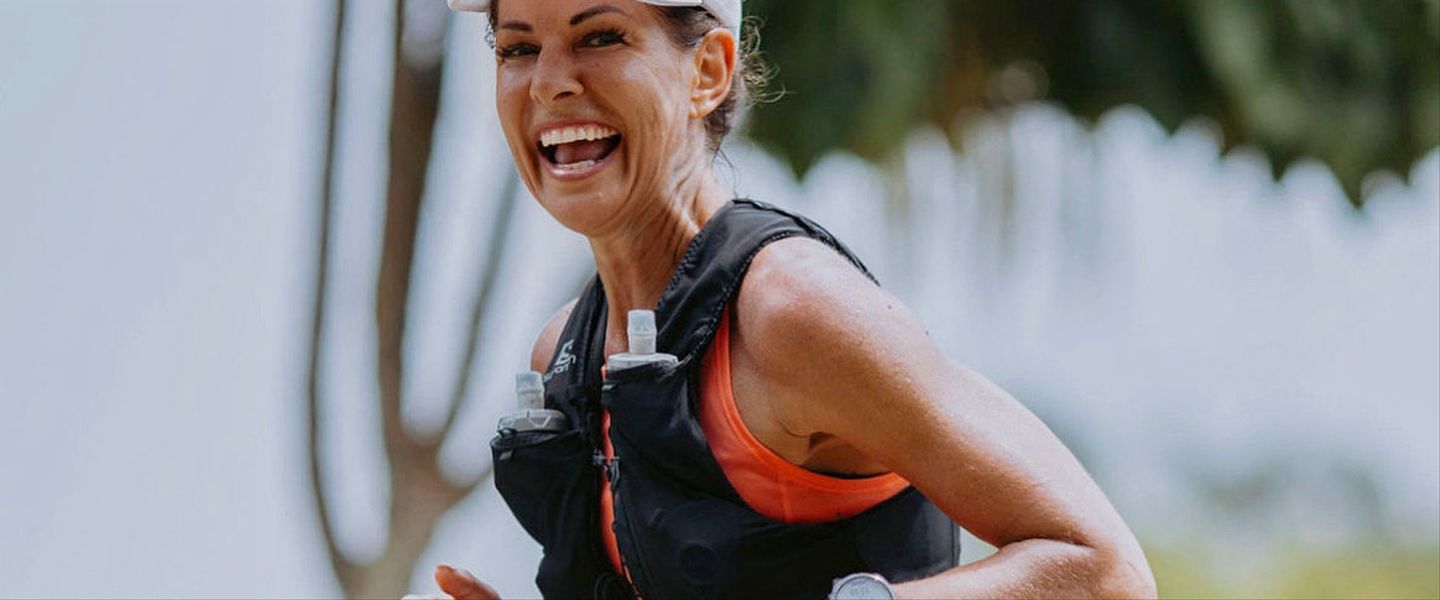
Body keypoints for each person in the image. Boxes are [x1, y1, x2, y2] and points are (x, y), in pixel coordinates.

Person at [418, 0, 1157, 597]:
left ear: (707, 71)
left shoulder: (793, 314)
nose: (549, 82)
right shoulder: (564, 354)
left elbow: (1104, 571)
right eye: (518, 48)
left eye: (601, 36)